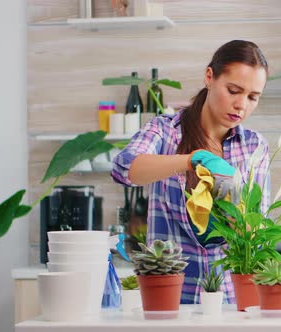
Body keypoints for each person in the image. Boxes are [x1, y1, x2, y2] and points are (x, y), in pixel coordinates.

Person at [111, 40, 271, 304]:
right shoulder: (165, 131)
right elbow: (124, 168)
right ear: (210, 77)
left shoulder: (254, 147)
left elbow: (256, 235)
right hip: (169, 299)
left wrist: (236, 208)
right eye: (233, 90)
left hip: (229, 301)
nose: (242, 104)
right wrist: (191, 160)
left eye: (253, 97)